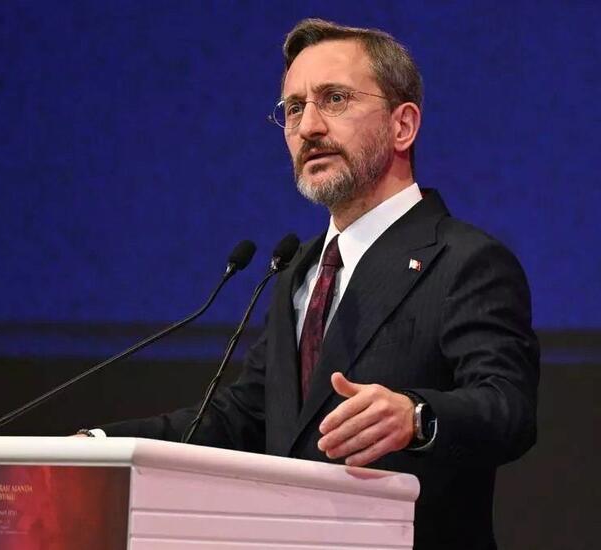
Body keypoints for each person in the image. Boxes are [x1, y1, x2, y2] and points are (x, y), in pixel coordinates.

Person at [83, 19, 540, 550]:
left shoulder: (465, 261)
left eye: (335, 99)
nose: (309, 127)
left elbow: (508, 409)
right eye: (295, 108)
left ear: (403, 126)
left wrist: (415, 416)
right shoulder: (298, 270)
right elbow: (242, 418)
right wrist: (97, 447)